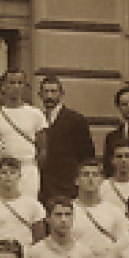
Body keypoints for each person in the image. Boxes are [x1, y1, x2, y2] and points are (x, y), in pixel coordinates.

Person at [0, 67, 47, 202]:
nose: (16, 87)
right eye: (12, 83)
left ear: (25, 86)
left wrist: (31, 167)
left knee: (28, 206)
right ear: (4, 87)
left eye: (20, 83)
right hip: (2, 171)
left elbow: (43, 149)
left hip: (27, 170)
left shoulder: (36, 114)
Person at [38, 74, 96, 204]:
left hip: (66, 186)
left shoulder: (75, 120)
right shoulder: (37, 119)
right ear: (40, 95)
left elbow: (86, 155)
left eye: (53, 91)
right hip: (43, 187)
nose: (49, 96)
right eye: (46, 92)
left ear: (61, 94)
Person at [71, 158, 129, 258]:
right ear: (77, 180)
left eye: (95, 175)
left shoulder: (114, 211)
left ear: (101, 180)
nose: (90, 179)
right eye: (85, 175)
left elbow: (124, 244)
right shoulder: (68, 211)